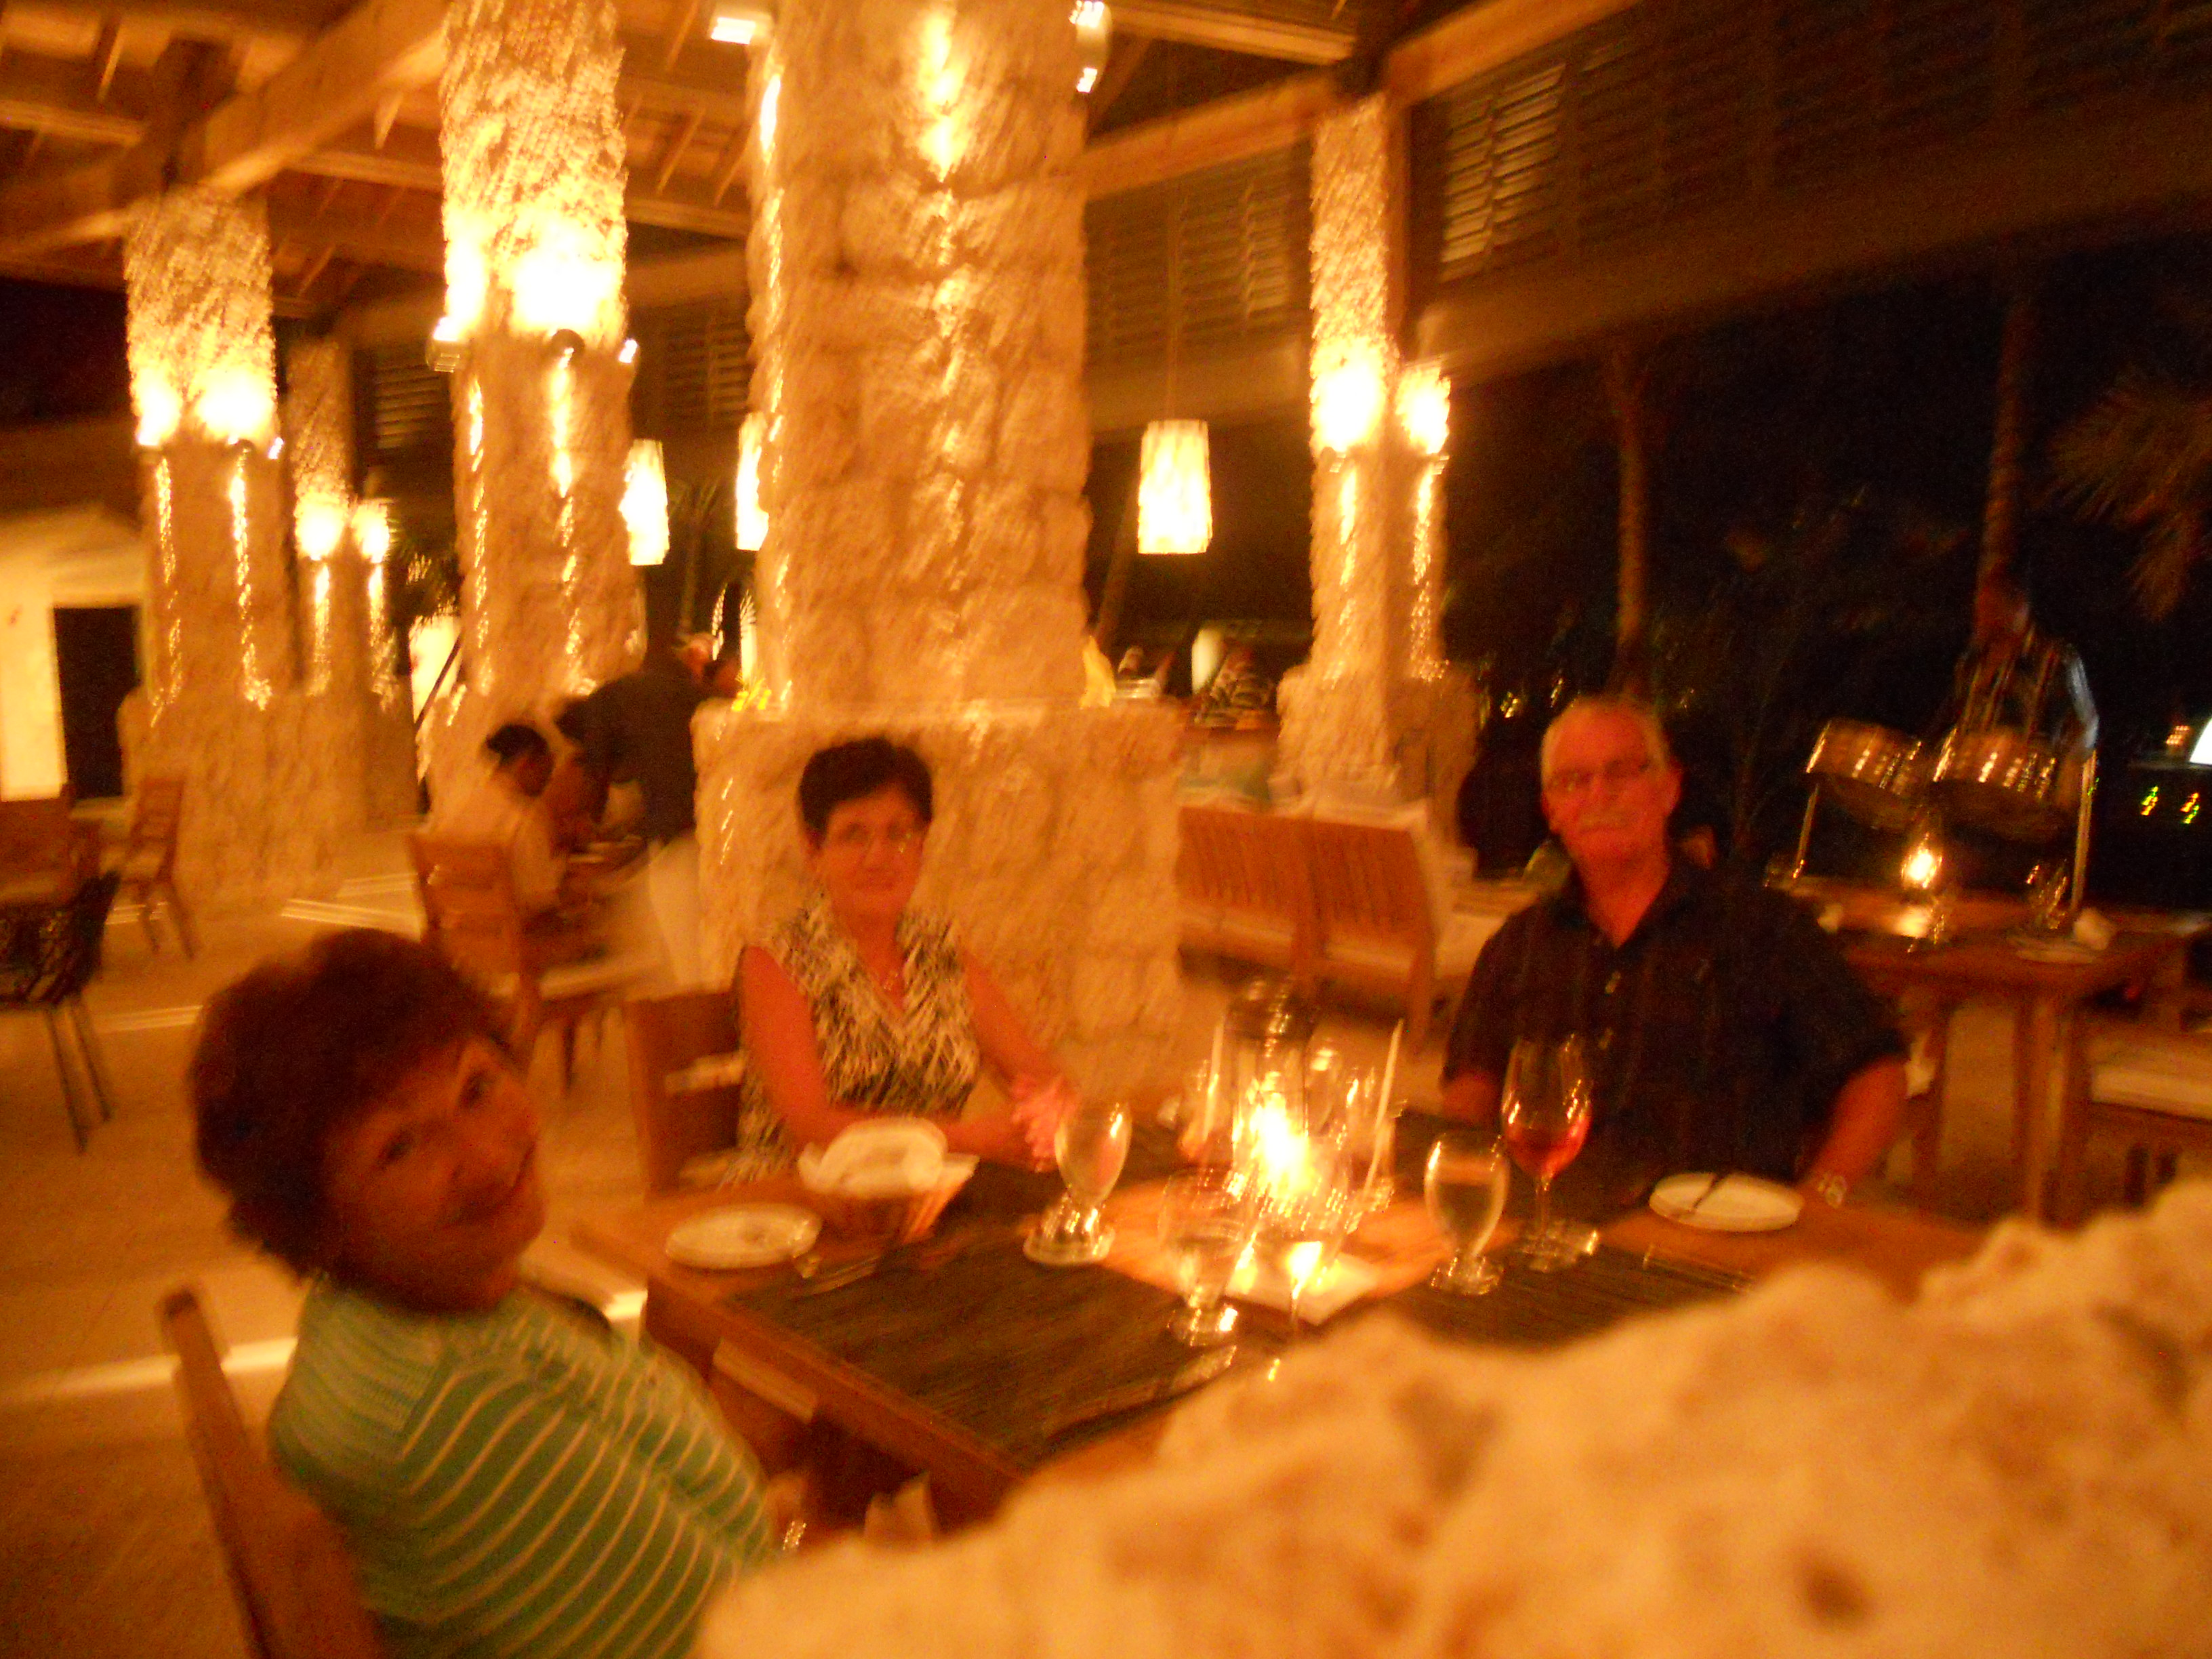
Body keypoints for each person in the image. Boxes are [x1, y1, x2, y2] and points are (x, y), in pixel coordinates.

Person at [190, 930, 777, 1659]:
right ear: (317, 1219)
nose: (486, 1157)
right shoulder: (461, 1415)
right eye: (400, 1146)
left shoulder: (417, 1304)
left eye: (477, 1088)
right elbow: (735, 1633)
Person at [1441, 696, 1906, 1212]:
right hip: (1548, 1222)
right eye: (1574, 780)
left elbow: (1875, 1071)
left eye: (1621, 772)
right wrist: (1463, 1193)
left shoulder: (1765, 929)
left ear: (1669, 788)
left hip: (1711, 1234)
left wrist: (1822, 1196)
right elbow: (1470, 1086)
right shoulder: (1519, 945)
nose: (1599, 795)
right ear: (1551, 810)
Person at [736, 737, 1071, 1175]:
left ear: (921, 845)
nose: (878, 857)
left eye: (898, 834)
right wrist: (966, 1139)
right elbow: (813, 1127)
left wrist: (1049, 1110)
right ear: (814, 849)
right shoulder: (776, 961)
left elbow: (1037, 1073)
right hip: (797, 1196)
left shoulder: (940, 951)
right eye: (854, 835)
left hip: (930, 1194)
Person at [566, 639, 710, 985]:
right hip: (702, 806)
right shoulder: (640, 698)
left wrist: (585, 828)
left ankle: (688, 993)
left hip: (683, 824)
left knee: (667, 905)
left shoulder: (600, 710)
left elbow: (597, 779)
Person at [434, 722, 600, 965]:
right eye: (546, 770)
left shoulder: (461, 808)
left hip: (462, 948)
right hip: (515, 952)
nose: (548, 781)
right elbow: (541, 909)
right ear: (527, 763)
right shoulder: (523, 818)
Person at [1944, 568, 2097, 756]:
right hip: (1970, 768)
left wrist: (2055, 762)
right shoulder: (1971, 663)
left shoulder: (2055, 660)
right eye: (1980, 609)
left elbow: (2085, 726)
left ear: (2019, 607)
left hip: (2027, 770)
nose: (1981, 618)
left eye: (1991, 609)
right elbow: (1957, 724)